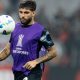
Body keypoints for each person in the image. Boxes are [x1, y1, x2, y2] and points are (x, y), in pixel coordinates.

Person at [0, 0, 57, 80]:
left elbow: (53, 52)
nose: (22, 15)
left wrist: (36, 62)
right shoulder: (15, 28)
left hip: (32, 73)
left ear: (33, 13)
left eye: (26, 12)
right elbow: (7, 51)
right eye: (21, 12)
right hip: (17, 73)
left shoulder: (41, 31)